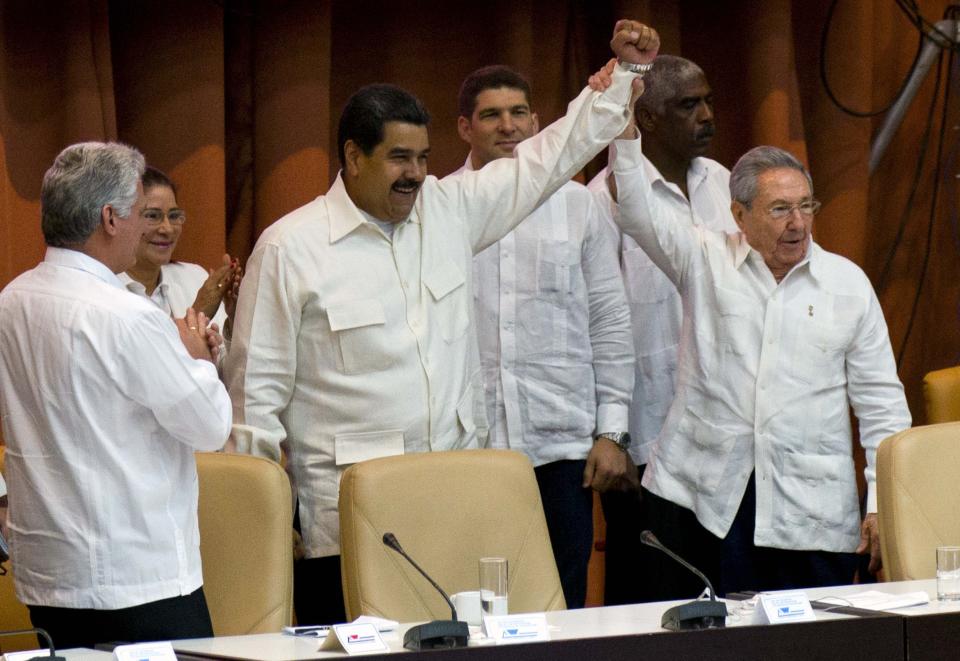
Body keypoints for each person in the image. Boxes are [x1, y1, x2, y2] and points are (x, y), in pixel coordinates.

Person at [225, 20, 659, 625]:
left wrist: (626, 77)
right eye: (398, 158)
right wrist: (267, 533)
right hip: (348, 522)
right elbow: (255, 403)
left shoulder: (450, 212)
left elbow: (548, 157)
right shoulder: (290, 249)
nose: (414, 174)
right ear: (353, 156)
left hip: (453, 505)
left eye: (423, 158)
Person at [599, 108, 912, 596]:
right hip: (699, 499)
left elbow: (882, 405)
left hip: (809, 511)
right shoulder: (703, 258)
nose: (798, 223)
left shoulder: (847, 284)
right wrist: (622, 116)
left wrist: (881, 503)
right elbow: (636, 208)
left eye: (806, 206)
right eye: (779, 209)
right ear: (739, 215)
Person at [0, 142, 232, 648]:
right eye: (137, 211)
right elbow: (210, 428)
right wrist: (196, 358)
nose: (148, 227)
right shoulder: (127, 316)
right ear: (110, 217)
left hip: (50, 575)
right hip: (141, 580)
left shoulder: (11, 300)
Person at [448, 65, 635, 608]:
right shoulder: (441, 205)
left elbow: (608, 318)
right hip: (472, 444)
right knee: (476, 605)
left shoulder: (580, 205)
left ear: (536, 121)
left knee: (562, 605)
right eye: (491, 115)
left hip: (562, 448)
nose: (508, 126)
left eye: (519, 113)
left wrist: (613, 431)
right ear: (464, 128)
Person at [585, 55, 738, 605]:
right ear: (645, 119)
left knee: (729, 600)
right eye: (688, 105)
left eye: (708, 101)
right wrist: (615, 434)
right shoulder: (603, 200)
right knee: (653, 602)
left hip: (723, 434)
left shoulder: (727, 185)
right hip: (648, 437)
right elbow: (600, 324)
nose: (706, 115)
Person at [120, 166, 242, 351]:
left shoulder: (194, 277)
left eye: (174, 216)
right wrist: (199, 312)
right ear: (122, 219)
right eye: (153, 216)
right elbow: (144, 367)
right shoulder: (107, 289)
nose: (167, 229)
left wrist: (234, 320)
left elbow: (227, 374)